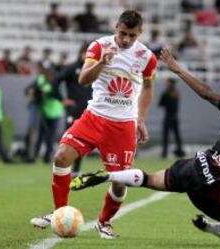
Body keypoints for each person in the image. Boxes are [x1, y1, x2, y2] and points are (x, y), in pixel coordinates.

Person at [70, 48, 220, 243]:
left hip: (193, 166)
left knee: (149, 179)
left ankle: (110, 176)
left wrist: (178, 69)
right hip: (211, 191)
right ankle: (210, 227)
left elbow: (208, 94)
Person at [31, 10, 157, 240]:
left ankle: (104, 222)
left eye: (132, 35)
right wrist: (102, 62)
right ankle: (59, 213)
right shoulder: (99, 46)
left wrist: (141, 119)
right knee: (61, 157)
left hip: (123, 125)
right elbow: (83, 79)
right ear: (116, 26)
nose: (126, 39)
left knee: (120, 182)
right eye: (122, 33)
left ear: (140, 33)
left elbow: (148, 87)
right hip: (94, 117)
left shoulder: (147, 57)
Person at [54, 43, 92, 177]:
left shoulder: (94, 69)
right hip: (73, 110)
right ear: (81, 53)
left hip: (88, 111)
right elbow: (55, 80)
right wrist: (62, 99)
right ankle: (64, 168)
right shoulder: (72, 68)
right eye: (86, 53)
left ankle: (76, 170)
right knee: (70, 139)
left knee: (82, 140)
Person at [33, 66, 64, 163]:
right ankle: (35, 156)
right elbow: (35, 90)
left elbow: (55, 94)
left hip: (54, 112)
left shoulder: (53, 84)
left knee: (50, 136)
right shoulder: (43, 82)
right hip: (45, 112)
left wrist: (40, 90)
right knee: (42, 135)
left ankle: (47, 157)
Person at [158, 78, 185, 158]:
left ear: (170, 83)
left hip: (168, 117)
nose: (166, 84)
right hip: (175, 117)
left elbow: (160, 104)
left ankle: (164, 153)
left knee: (166, 136)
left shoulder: (166, 93)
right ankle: (180, 152)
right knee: (177, 136)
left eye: (167, 82)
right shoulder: (177, 93)